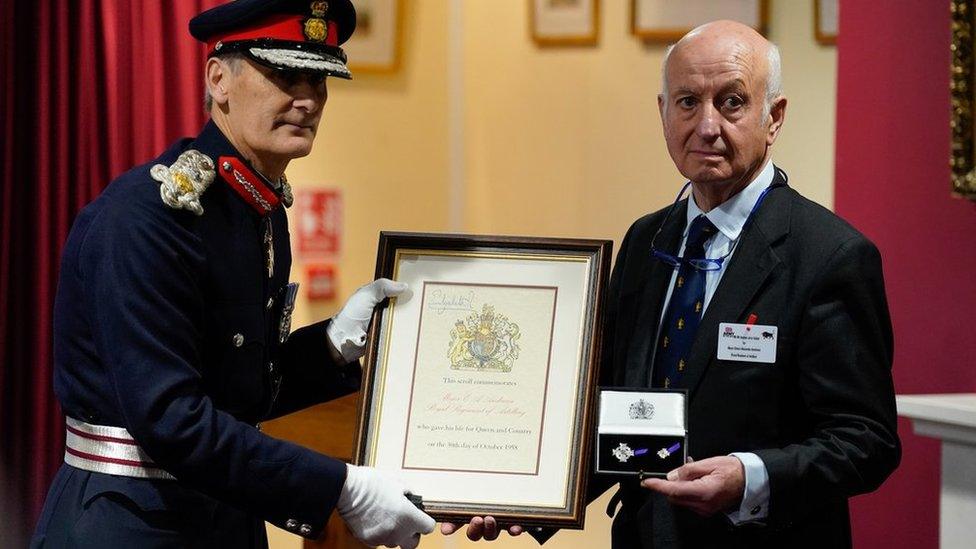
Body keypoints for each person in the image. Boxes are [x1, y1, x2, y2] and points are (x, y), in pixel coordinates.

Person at [446, 20, 900, 548]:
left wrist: (748, 476)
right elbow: (619, 404)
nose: (706, 126)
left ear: (773, 118)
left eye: (731, 102)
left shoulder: (830, 255)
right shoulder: (646, 239)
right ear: (663, 112)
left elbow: (866, 441)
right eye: (687, 102)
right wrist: (524, 497)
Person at [30, 1, 434, 547]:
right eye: (285, 74)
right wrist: (341, 488)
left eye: (320, 80)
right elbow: (173, 419)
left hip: (224, 520)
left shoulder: (256, 207)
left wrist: (334, 345)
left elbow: (241, 391)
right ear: (219, 79)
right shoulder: (146, 219)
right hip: (132, 521)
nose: (308, 99)